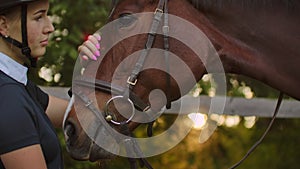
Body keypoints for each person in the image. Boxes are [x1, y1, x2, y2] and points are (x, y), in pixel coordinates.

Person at [0, 0, 100, 168]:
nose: (50, 27)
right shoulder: (7, 97)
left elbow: (78, 116)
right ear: (3, 25)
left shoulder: (17, 85)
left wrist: (94, 71)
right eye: (39, 17)